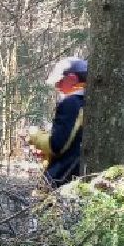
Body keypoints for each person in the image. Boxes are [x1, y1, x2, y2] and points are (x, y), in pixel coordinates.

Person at [27, 57, 87, 186]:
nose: (57, 86)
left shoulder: (71, 103)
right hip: (78, 176)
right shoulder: (89, 101)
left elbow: (56, 145)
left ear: (72, 78)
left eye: (60, 81)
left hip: (63, 177)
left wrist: (34, 135)